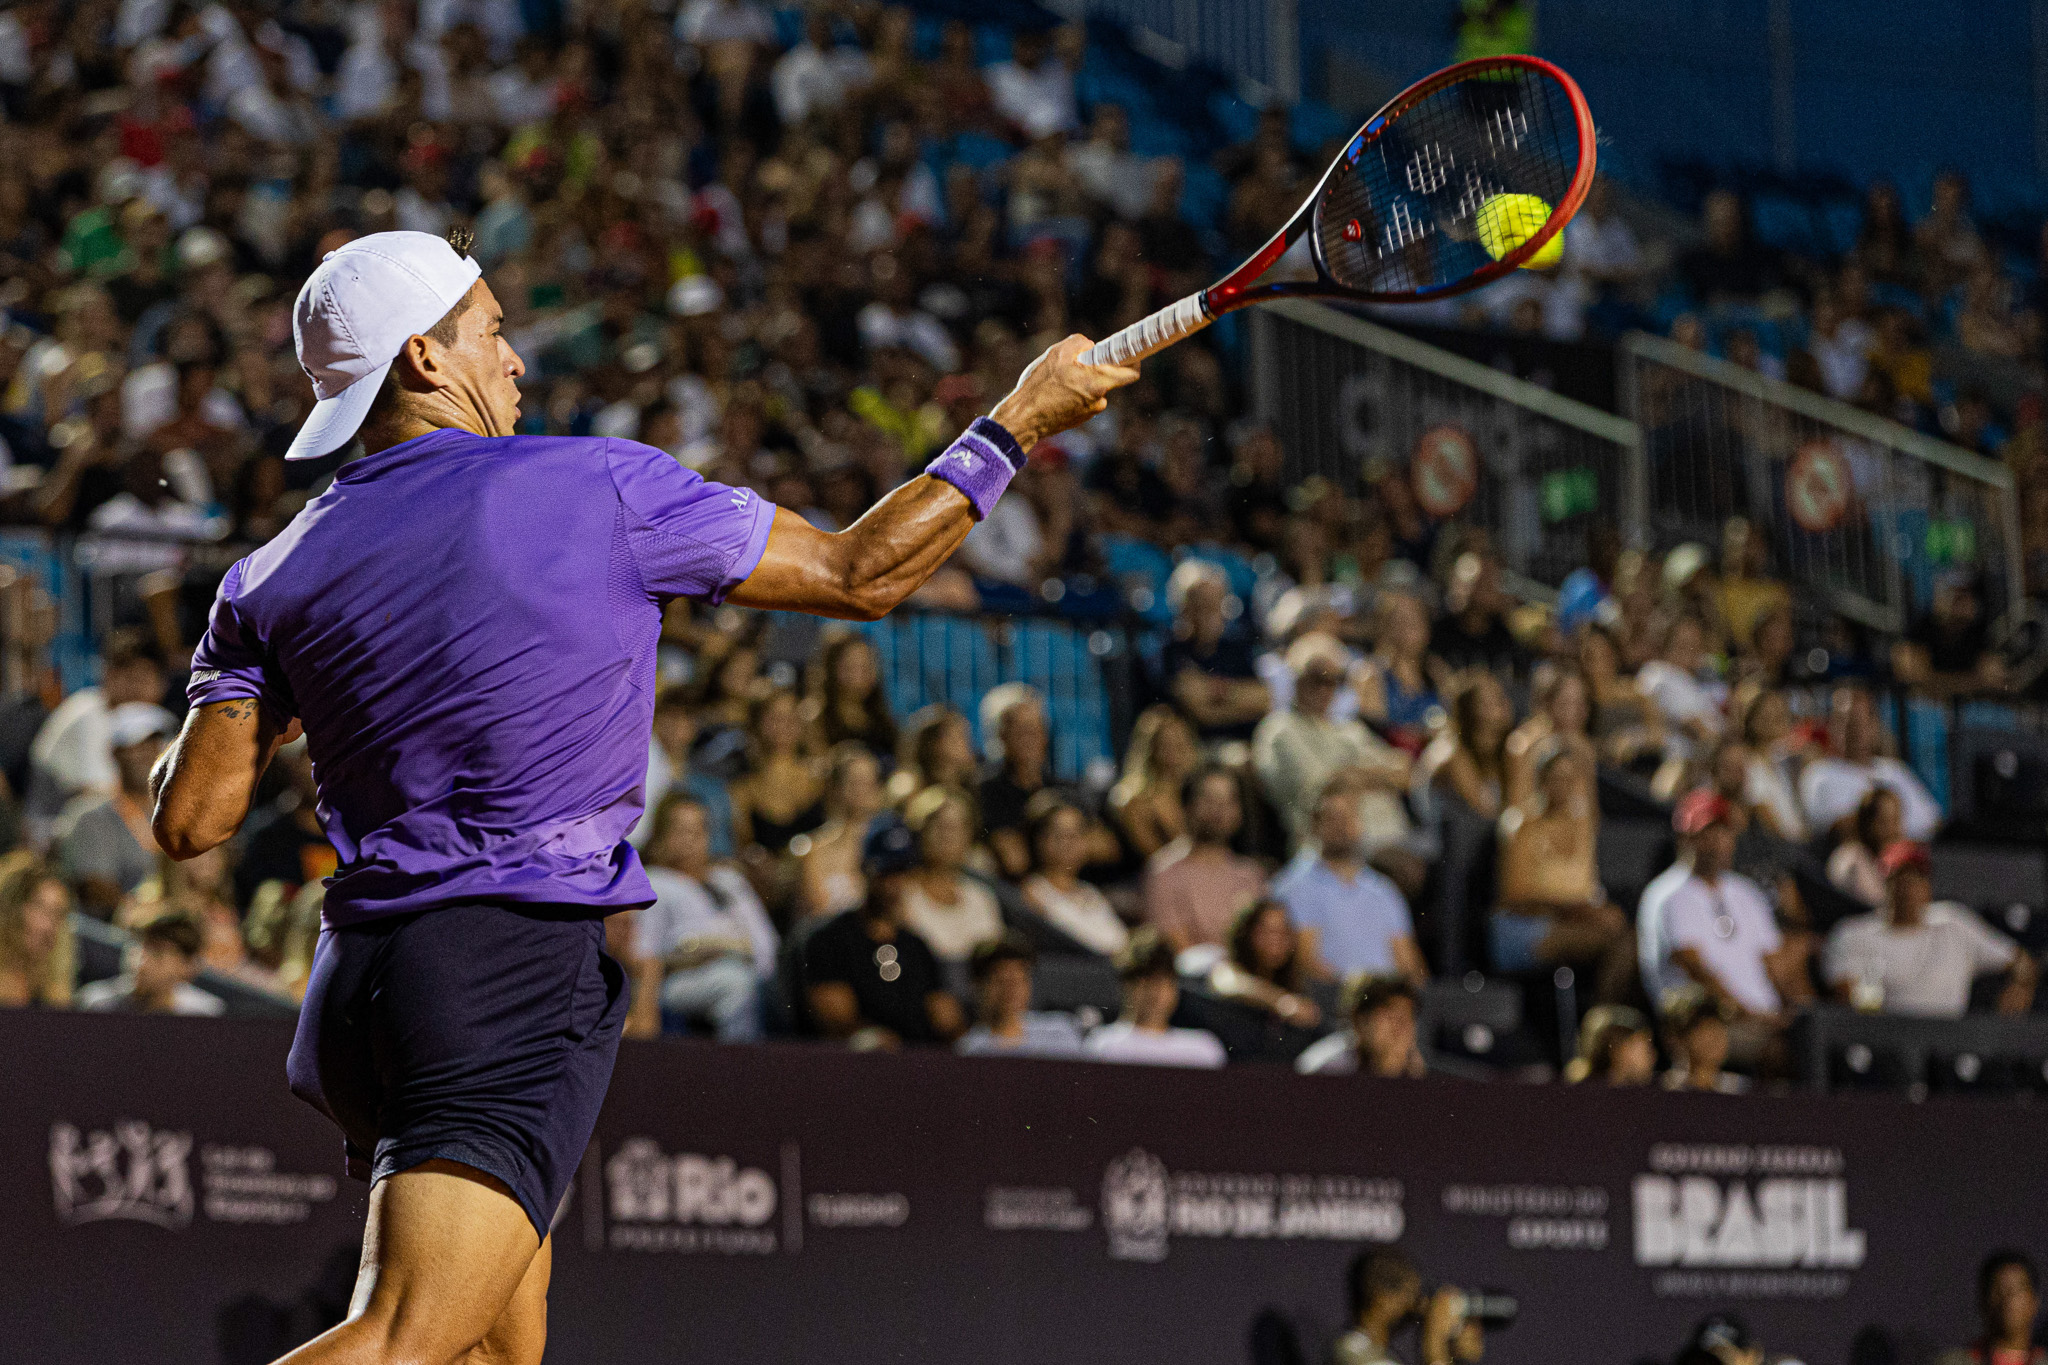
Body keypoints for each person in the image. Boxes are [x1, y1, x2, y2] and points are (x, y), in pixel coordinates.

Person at [148, 230, 1132, 1365]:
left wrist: (256, 681)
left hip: (365, 992)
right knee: (407, 1342)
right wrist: (1019, 422)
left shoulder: (266, 574)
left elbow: (191, 821)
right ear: (424, 358)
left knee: (496, 1356)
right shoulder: (598, 484)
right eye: (497, 330)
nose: (516, 359)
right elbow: (862, 573)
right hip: (502, 965)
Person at [1651, 791, 1812, 1070]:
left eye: (1724, 833)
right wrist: (1753, 1015)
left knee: (1817, 1037)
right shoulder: (1668, 894)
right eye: (1706, 834)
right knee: (1785, 1053)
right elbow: (1697, 971)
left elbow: (1774, 965)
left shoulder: (1745, 892)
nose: (1716, 843)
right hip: (1707, 1020)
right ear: (1685, 838)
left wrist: (1803, 1010)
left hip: (1763, 1020)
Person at [800, 819, 967, 1049]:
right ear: (865, 872)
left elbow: (946, 1018)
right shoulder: (830, 940)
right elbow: (836, 1020)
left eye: (901, 873)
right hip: (855, 1068)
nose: (894, 884)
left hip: (916, 1065)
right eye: (885, 873)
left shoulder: (916, 946)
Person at [1824, 842, 2037, 1017]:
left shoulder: (1953, 924)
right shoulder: (1855, 932)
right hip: (1883, 1038)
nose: (1907, 888)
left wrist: (2022, 984)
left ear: (1928, 887)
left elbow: (2019, 959)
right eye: (1900, 878)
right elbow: (1847, 994)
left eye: (1916, 878)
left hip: (1947, 1043)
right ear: (1885, 883)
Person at [626, 795, 777, 1042]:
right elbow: (645, 954)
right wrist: (693, 953)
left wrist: (733, 951)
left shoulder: (729, 880)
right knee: (734, 983)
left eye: (697, 831)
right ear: (661, 837)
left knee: (751, 980)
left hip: (743, 968)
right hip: (679, 980)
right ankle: (737, 1064)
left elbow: (765, 943)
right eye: (681, 831)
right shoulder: (654, 882)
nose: (690, 841)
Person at [1251, 631, 1413, 857]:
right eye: (1317, 678)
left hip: (1388, 839)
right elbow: (1320, 786)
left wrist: (1350, 775)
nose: (1325, 689)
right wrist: (1374, 777)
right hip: (1329, 849)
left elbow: (1404, 772)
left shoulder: (1349, 729)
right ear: (1296, 680)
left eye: (1333, 680)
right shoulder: (1279, 728)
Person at [1495, 745, 1635, 1002]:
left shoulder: (1582, 826)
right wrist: (1577, 911)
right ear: (1541, 780)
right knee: (1617, 940)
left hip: (1573, 922)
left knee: (1628, 933)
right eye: (1556, 777)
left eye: (1569, 778)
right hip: (1524, 928)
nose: (1563, 785)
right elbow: (1514, 898)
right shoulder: (1522, 826)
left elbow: (1587, 889)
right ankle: (1603, 1013)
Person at [1271, 781, 1428, 985]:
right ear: (1315, 825)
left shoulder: (1383, 890)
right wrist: (1360, 997)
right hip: (1330, 1004)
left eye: (1348, 817)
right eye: (1332, 819)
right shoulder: (1293, 887)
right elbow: (1305, 961)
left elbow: (1407, 962)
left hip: (1385, 1003)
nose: (1341, 827)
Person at [25, 627, 164, 845]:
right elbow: (100, 793)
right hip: (52, 834)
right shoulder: (84, 712)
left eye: (144, 677)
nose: (134, 687)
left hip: (117, 830)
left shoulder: (156, 721)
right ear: (107, 675)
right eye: (126, 676)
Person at [55, 702, 176, 915]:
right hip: (112, 935)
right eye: (136, 745)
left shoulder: (173, 813)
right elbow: (96, 887)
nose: (147, 754)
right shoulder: (91, 817)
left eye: (153, 744)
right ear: (114, 753)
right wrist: (147, 915)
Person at [1143, 764, 1268, 953]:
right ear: (1188, 805)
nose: (1219, 809)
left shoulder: (1251, 873)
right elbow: (1178, 949)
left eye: (1229, 801)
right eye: (1209, 799)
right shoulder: (1165, 872)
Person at [1798, 683, 1942, 840]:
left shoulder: (1894, 769)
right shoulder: (1819, 773)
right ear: (1831, 726)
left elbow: (1933, 820)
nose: (1856, 732)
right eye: (1847, 723)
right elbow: (1839, 828)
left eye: (1863, 723)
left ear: (1875, 727)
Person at [1158, 559, 1271, 744]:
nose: (1210, 612)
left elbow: (1263, 699)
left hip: (1243, 746)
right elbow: (1200, 712)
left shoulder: (1236, 648)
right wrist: (1240, 699)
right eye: (1200, 604)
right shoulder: (1169, 650)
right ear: (1182, 607)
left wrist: (1214, 690)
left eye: (1215, 603)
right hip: (1194, 747)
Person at [1084, 927, 1227, 1067]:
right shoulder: (1101, 1046)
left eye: (1164, 982)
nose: (1155, 992)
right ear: (1126, 984)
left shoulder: (1204, 1050)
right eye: (1146, 981)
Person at [898, 785, 1005, 964]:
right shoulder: (903, 896)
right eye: (939, 826)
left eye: (956, 828)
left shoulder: (982, 897)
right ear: (920, 832)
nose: (947, 837)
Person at [1333, 1246, 1487, 1365]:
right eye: (1412, 1296)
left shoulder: (1375, 1353)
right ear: (1383, 1299)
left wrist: (1453, 1355)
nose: (1418, 1307)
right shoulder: (1353, 1354)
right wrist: (1435, 1340)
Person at [1019, 792, 1128, 957]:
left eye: (1076, 834)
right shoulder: (1033, 892)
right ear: (1038, 840)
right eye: (1060, 835)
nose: (1070, 843)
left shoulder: (1090, 892)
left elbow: (1120, 942)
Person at [631, 683, 735, 855]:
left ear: (696, 726)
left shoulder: (709, 788)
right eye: (670, 716)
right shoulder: (639, 763)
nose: (676, 725)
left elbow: (721, 847)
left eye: (686, 717)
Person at [955, 930, 1086, 1057]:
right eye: (1000, 980)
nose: (1010, 990)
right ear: (977, 985)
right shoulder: (970, 1049)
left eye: (1018, 980)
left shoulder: (1059, 1032)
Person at [729, 688, 827, 856]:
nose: (783, 725)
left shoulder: (821, 779)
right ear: (757, 724)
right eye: (774, 718)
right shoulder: (742, 791)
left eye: (791, 718)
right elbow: (743, 849)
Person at [1209, 898, 1323, 1037]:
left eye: (1283, 932)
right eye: (1266, 932)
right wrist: (1282, 1002)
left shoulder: (1297, 981)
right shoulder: (1229, 967)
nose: (1275, 940)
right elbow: (1227, 982)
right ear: (1246, 934)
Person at [797, 744, 886, 919]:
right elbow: (817, 912)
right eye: (855, 782)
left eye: (868, 783)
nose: (861, 791)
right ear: (835, 788)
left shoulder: (888, 844)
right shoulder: (814, 850)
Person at [76, 911, 223, 1015]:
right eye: (140, 947)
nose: (142, 961)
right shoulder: (97, 1005)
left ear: (188, 967)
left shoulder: (204, 1016)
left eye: (158, 953)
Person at [1414, 671, 1514, 822]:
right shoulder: (1452, 750)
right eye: (1497, 700)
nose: (1507, 705)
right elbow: (1486, 810)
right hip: (1437, 836)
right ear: (1474, 710)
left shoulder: (1502, 748)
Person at [1354, 589, 1443, 754]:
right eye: (1401, 620)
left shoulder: (1436, 673)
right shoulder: (1370, 674)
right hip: (1390, 759)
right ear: (1385, 627)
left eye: (1416, 620)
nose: (1409, 628)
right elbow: (1373, 735)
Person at [1106, 703, 1198, 860]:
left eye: (1181, 745)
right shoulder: (1134, 802)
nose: (1176, 755)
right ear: (1151, 750)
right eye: (1167, 746)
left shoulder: (1198, 791)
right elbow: (1156, 861)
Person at [1296, 974, 1427, 1078]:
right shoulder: (1327, 1068)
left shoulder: (1421, 1075)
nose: (1399, 1024)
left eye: (1407, 1015)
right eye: (1389, 1014)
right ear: (1359, 1021)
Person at [1935, 1251, 2046, 1365]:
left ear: (2034, 1301)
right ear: (1983, 1299)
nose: (2007, 1299)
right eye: (1999, 1290)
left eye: (2016, 1290)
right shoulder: (1953, 1361)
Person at [0, 852, 76, 1007]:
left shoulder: (53, 992)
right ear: (10, 908)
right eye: (38, 907)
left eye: (57, 914)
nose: (48, 926)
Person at [806, 632, 899, 758]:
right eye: (851, 667)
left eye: (866, 666)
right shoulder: (817, 717)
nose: (860, 675)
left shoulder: (882, 718)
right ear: (832, 668)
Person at [1659, 986, 1749, 1094]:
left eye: (1718, 1026)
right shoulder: (1666, 1087)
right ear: (1682, 1038)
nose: (1714, 1036)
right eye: (1703, 1028)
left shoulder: (1741, 1089)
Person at [1828, 786, 1904, 909]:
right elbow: (1875, 903)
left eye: (1896, 821)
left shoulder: (1900, 858)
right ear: (1867, 824)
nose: (1893, 831)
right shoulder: (1849, 858)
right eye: (1884, 822)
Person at [1564, 1004, 1657, 1085]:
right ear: (1618, 1049)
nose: (1654, 1057)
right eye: (1647, 1050)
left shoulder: (1657, 1090)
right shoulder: (1584, 1095)